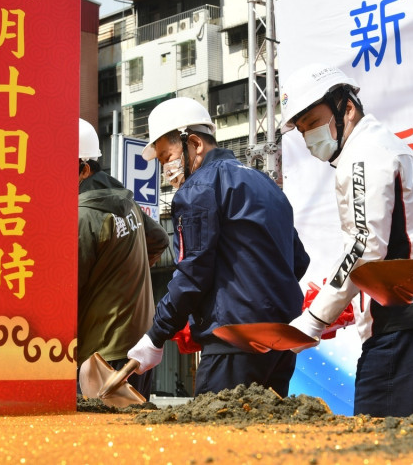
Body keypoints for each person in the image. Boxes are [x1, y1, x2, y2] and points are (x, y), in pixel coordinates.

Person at [279, 63, 413, 418]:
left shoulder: (364, 154)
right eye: (301, 130)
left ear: (346, 106)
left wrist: (315, 318)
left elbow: (363, 246)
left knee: (377, 448)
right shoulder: (391, 146)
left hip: (401, 326)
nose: (310, 136)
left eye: (314, 121)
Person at [127, 97, 310, 397]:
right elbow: (298, 261)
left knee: (213, 439)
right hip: (280, 344)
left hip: (231, 345)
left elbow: (192, 274)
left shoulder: (198, 189)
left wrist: (156, 335)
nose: (165, 170)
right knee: (264, 439)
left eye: (166, 157)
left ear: (195, 144)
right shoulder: (264, 184)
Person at [77, 118, 169, 399]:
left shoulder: (82, 215)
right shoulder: (126, 202)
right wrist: (123, 274)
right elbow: (160, 240)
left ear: (84, 169)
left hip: (102, 354)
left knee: (97, 439)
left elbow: (68, 291)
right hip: (139, 346)